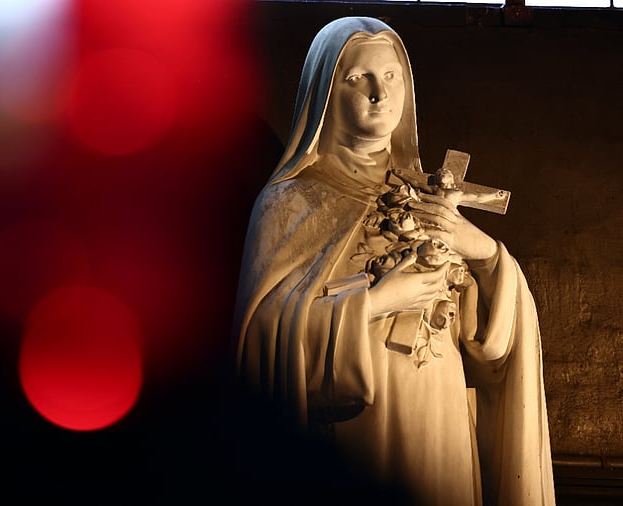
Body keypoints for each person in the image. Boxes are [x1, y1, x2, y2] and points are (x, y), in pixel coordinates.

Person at [232, 17, 554, 506]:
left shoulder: (430, 196)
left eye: (390, 76)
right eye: (357, 77)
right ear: (324, 92)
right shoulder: (290, 203)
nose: (379, 93)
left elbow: (489, 349)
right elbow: (262, 344)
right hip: (356, 429)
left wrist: (485, 255)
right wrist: (379, 302)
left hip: (437, 416)